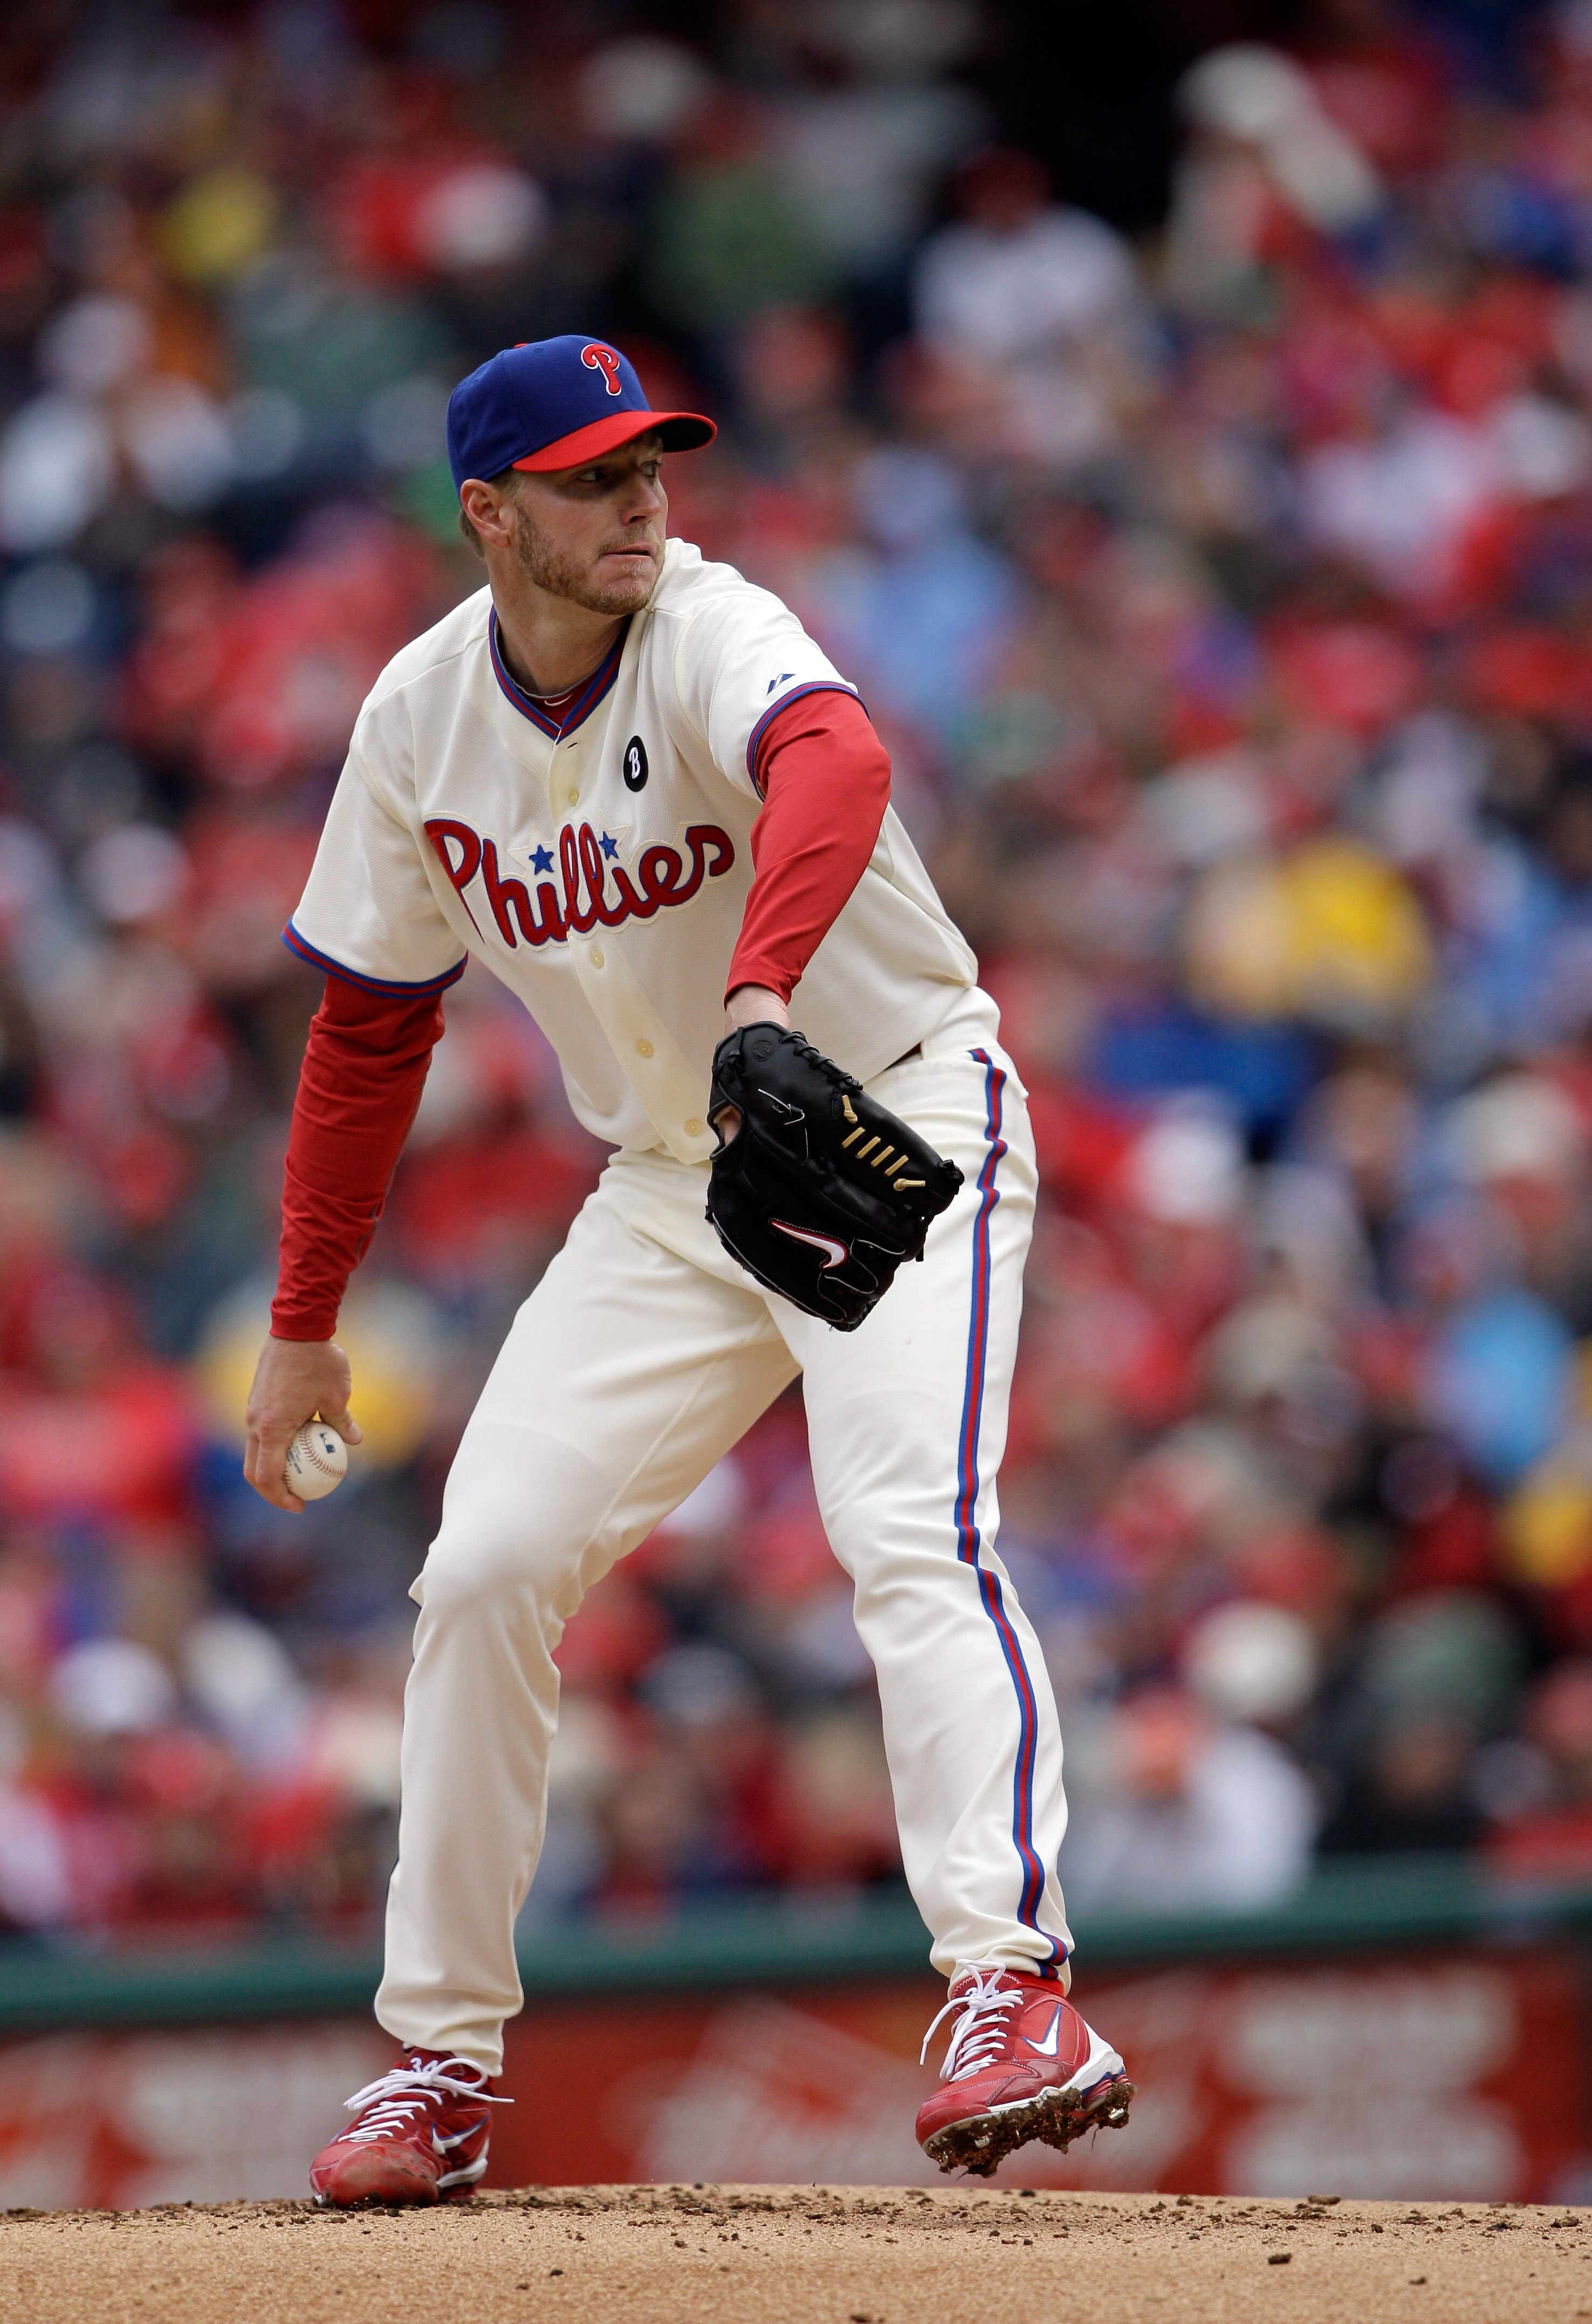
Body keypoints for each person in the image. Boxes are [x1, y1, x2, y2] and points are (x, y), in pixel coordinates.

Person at [243, 335, 1131, 2203]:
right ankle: (441, 2060)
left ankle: (1010, 1983)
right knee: (481, 1566)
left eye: (649, 461)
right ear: (489, 514)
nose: (640, 495)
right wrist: (305, 1327)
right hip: (677, 1183)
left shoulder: (712, 626)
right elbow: (365, 1031)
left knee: (908, 1526)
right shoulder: (418, 722)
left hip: (893, 1111)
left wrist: (754, 989)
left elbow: (839, 753)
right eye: (589, 475)